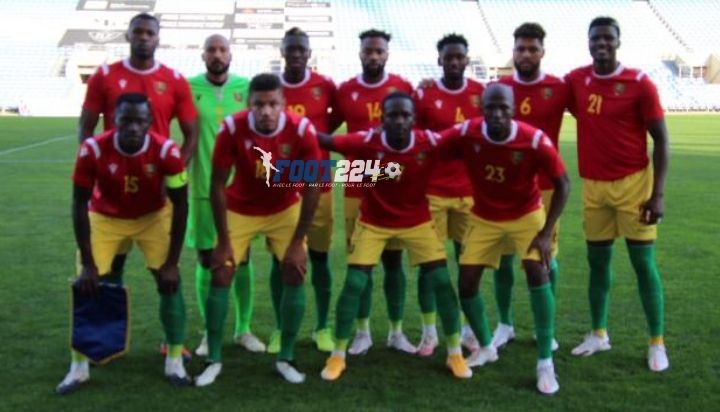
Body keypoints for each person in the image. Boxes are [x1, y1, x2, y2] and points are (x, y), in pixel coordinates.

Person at [317, 92, 471, 381]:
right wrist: (290, 125)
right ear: (382, 119)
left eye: (405, 115)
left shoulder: (429, 142)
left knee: (441, 280)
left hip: (417, 222)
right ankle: (337, 355)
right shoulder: (367, 141)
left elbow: (464, 138)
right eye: (393, 115)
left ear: (414, 119)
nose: (399, 121)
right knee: (354, 283)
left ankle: (454, 354)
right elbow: (326, 141)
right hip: (373, 222)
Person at [78, 14, 198, 358]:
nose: (144, 37)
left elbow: (190, 135)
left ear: (158, 38)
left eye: (150, 32)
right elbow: (85, 128)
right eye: (138, 32)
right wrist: (99, 170)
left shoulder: (174, 80)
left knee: (167, 275)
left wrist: (173, 176)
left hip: (155, 196)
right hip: (112, 195)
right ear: (128, 36)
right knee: (108, 272)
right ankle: (107, 342)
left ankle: (172, 345)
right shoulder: (104, 76)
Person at [440, 83, 570, 395]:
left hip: (526, 215)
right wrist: (364, 172)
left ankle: (545, 361)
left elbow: (564, 183)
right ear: (481, 109)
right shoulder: (467, 132)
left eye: (503, 108)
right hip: (484, 217)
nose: (497, 114)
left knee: (537, 272)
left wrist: (546, 233)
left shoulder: (533, 140)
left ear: (513, 109)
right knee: (466, 283)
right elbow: (426, 148)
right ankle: (486, 347)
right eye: (490, 108)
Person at [57, 93, 191, 394]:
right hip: (105, 217)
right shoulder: (92, 149)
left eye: (139, 121)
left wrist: (171, 262)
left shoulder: (167, 150)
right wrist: (88, 263)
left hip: (152, 217)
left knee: (169, 282)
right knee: (86, 284)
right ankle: (78, 367)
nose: (132, 127)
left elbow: (181, 205)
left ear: (149, 122)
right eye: (126, 120)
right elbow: (79, 204)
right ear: (114, 120)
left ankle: (174, 359)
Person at [194, 74, 321, 386]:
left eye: (273, 104)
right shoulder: (232, 128)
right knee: (221, 271)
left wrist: (297, 241)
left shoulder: (302, 130)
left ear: (283, 104)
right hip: (241, 208)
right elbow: (217, 184)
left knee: (294, 269)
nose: (266, 111)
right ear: (248, 104)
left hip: (284, 208)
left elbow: (313, 186)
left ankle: (286, 357)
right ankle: (213, 359)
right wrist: (223, 241)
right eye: (259, 104)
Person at [566, 17, 670, 372]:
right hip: (594, 187)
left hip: (634, 187)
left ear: (618, 42)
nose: (601, 43)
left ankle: (656, 342)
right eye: (595, 38)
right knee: (597, 263)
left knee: (643, 264)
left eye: (608, 38)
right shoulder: (576, 80)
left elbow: (662, 140)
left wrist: (658, 194)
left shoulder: (639, 83)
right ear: (588, 42)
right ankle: (598, 333)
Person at [333, 29, 416, 356]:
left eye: (379, 51)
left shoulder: (402, 87)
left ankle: (396, 331)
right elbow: (326, 129)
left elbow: (418, 129)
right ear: (360, 53)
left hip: (394, 185)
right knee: (360, 264)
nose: (373, 56)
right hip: (357, 184)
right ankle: (362, 332)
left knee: (394, 262)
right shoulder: (345, 91)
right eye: (368, 51)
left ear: (387, 54)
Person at [492, 22, 570, 351]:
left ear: (542, 52)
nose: (526, 54)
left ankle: (545, 328)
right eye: (520, 49)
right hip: (505, 188)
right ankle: (504, 324)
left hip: (546, 188)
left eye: (532, 49)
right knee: (503, 260)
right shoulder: (499, 88)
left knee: (546, 258)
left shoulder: (559, 88)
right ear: (513, 52)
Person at [187, 34, 265, 357]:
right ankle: (210, 332)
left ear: (230, 55)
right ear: (203, 56)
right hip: (203, 190)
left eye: (222, 50)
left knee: (242, 260)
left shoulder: (245, 88)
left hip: (240, 190)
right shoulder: (188, 87)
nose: (217, 55)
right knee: (208, 261)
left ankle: (243, 329)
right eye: (211, 50)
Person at [412, 33, 484, 356]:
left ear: (466, 59)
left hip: (470, 192)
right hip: (433, 192)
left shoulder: (481, 93)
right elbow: (412, 136)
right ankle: (429, 332)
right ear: (439, 59)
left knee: (469, 264)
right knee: (429, 264)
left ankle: (468, 330)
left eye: (459, 57)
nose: (454, 62)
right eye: (448, 57)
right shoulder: (424, 94)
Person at [276, 27, 338, 353]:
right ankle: (279, 328)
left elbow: (336, 119)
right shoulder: (273, 87)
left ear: (309, 53)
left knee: (320, 257)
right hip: (283, 183)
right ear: (282, 52)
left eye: (302, 49)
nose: (297, 54)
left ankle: (322, 326)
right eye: (292, 49)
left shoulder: (324, 85)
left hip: (319, 180)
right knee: (281, 259)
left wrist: (317, 137)